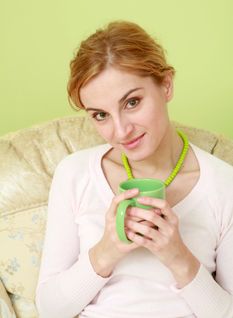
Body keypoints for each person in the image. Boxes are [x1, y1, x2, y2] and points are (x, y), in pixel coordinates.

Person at [35, 21, 233, 318]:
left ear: (166, 85)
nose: (121, 131)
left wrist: (178, 257)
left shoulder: (223, 184)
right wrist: (108, 249)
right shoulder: (75, 174)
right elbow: (50, 309)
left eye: (132, 102)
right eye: (101, 115)